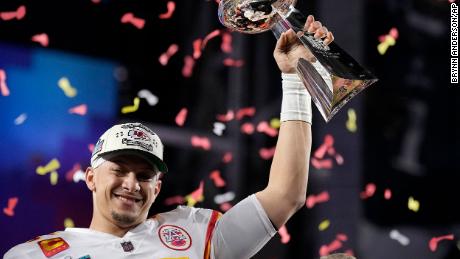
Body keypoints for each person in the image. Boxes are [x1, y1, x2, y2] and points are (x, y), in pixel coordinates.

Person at [4, 15, 334, 259]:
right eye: (119, 170)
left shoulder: (194, 231)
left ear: (157, 187)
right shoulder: (36, 255)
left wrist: (294, 81)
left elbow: (286, 195)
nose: (131, 183)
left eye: (144, 175)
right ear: (90, 177)